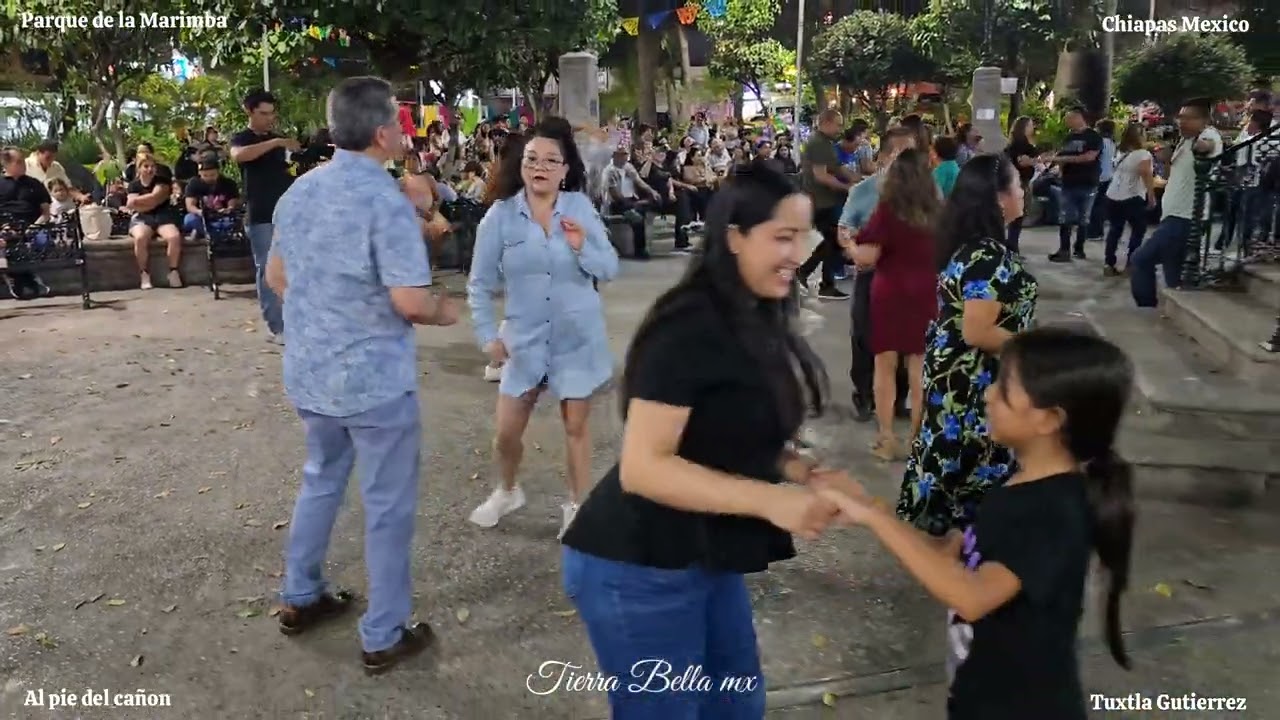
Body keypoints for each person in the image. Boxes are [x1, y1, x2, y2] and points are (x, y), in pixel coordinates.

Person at [561, 163, 853, 718]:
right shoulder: (686, 327)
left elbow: (729, 432)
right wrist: (773, 501)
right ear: (735, 237)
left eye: (804, 236)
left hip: (705, 556)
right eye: (782, 237)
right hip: (637, 568)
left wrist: (800, 470)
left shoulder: (754, 314)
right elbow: (644, 468)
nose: (799, 253)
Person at [821, 326, 1136, 720]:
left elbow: (971, 595)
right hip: (984, 689)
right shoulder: (1021, 484)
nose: (988, 394)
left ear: (1050, 419)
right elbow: (954, 555)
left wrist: (873, 518)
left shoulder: (1053, 511)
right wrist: (872, 509)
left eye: (1004, 388)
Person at [265, 76, 460, 675]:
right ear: (382, 133)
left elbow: (276, 277)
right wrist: (446, 309)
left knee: (320, 478)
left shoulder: (298, 192)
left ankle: (301, 594)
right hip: (374, 383)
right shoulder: (386, 202)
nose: (405, 132)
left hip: (311, 372)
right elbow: (410, 301)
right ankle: (383, 633)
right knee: (387, 506)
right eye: (400, 123)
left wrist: (329, 308)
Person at [466, 118, 619, 538]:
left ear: (565, 169)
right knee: (506, 434)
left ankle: (576, 504)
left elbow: (609, 267)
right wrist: (487, 336)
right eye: (533, 159)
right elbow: (478, 284)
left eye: (552, 161)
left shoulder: (580, 209)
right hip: (524, 341)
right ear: (522, 165)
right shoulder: (499, 217)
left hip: (576, 338)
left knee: (576, 427)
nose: (541, 167)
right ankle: (508, 490)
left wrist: (581, 245)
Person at [897, 154, 1038, 538]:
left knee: (956, 489)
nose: (1022, 193)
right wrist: (1036, 349)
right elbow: (978, 331)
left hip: (958, 384)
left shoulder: (973, 248)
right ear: (998, 198)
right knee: (970, 493)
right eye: (1016, 185)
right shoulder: (987, 257)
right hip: (973, 390)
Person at [846, 148, 940, 460]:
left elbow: (866, 258)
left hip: (890, 291)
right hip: (927, 290)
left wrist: (848, 242)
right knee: (919, 366)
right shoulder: (939, 210)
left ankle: (887, 439)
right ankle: (918, 437)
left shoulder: (887, 210)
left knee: (884, 366)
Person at [838, 128, 915, 423]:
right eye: (901, 154)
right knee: (865, 336)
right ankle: (865, 396)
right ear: (883, 157)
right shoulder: (864, 191)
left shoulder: (926, 191)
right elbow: (844, 230)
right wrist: (854, 247)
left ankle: (898, 398)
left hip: (911, 278)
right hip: (873, 275)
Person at [1129, 98, 1222, 308]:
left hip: (1185, 217)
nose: (1183, 122)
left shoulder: (1208, 134)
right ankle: (1169, 310)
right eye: (1181, 117)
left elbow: (1207, 146)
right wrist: (1167, 157)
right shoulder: (1185, 140)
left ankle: (1146, 306)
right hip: (1172, 215)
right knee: (1174, 274)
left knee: (1141, 259)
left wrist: (1201, 145)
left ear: (1205, 120)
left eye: (1190, 118)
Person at [231, 89, 299, 345]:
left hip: (287, 213)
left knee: (291, 269)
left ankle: (293, 321)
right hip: (260, 214)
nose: (269, 119)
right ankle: (276, 327)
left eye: (272, 114)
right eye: (263, 113)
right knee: (267, 269)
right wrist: (276, 143)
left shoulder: (279, 141)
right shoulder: (242, 138)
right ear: (249, 111)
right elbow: (239, 155)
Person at [798, 109, 852, 300]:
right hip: (819, 200)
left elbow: (836, 167)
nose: (840, 128)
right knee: (830, 241)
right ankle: (819, 282)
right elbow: (821, 175)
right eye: (838, 124)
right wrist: (847, 187)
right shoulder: (818, 143)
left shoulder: (826, 143)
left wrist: (856, 180)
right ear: (827, 122)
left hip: (826, 200)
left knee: (830, 242)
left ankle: (808, 275)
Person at [1041, 107, 1102, 263]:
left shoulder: (1093, 137)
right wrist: (1059, 167)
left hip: (1088, 182)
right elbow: (1061, 156)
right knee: (1065, 217)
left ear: (1079, 117)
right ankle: (1064, 250)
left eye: (1070, 118)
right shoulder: (1068, 138)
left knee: (1083, 218)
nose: (1067, 122)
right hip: (1068, 182)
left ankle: (1079, 248)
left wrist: (1064, 160)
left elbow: (1089, 157)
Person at [1101, 123, 1155, 276]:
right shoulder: (1143, 154)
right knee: (1138, 230)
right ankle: (1131, 264)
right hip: (1132, 195)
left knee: (1115, 229)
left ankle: (1108, 263)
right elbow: (1146, 174)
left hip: (1112, 194)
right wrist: (1151, 196)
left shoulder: (1120, 150)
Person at [0, 146, 53, 299]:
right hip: (5, 229)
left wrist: (34, 227)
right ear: (7, 164)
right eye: (19, 161)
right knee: (7, 242)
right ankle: (30, 280)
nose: (24, 164)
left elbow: (46, 213)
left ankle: (17, 278)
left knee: (41, 242)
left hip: (33, 227)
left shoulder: (34, 184)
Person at [126, 155, 184, 289]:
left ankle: (173, 271)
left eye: (152, 166)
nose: (150, 169)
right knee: (140, 238)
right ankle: (144, 273)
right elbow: (132, 205)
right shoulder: (134, 185)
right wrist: (144, 203)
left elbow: (155, 198)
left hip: (163, 216)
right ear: (139, 168)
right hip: (142, 217)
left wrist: (140, 201)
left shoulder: (162, 181)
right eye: (146, 166)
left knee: (174, 237)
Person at [1004, 116, 1038, 253]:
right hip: (1020, 182)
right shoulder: (1023, 146)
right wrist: (1035, 160)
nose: (1032, 128)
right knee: (1018, 216)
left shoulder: (1011, 146)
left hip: (1011, 181)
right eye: (1030, 125)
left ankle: (1012, 245)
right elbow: (1022, 162)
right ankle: (1012, 247)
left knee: (1014, 216)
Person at [182, 159, 240, 238]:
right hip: (202, 216)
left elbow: (232, 203)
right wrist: (199, 212)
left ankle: (209, 234)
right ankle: (215, 236)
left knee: (232, 222)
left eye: (212, 175)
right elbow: (190, 206)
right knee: (190, 219)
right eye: (205, 175)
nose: (209, 178)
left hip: (222, 217)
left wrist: (228, 209)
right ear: (199, 173)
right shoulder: (194, 183)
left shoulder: (228, 183)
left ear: (218, 172)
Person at [1087, 119, 1117, 239]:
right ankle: (1098, 231)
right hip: (1109, 175)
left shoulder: (1099, 142)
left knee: (1094, 205)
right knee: (1101, 205)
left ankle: (1093, 231)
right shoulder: (1111, 143)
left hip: (1098, 175)